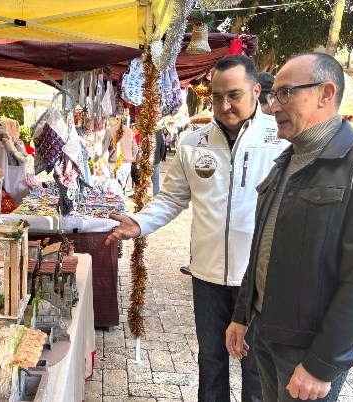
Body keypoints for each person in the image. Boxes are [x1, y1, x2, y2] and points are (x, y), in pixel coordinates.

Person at [105, 55, 288, 402]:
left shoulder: (280, 141)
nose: (224, 104)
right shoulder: (193, 144)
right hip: (207, 277)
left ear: (256, 90)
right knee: (211, 360)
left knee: (257, 368)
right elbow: (173, 197)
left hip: (261, 279)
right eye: (217, 96)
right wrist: (140, 222)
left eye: (234, 95)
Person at [226, 52, 353, 402]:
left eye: (285, 94)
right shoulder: (286, 162)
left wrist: (323, 364)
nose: (273, 106)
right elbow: (265, 248)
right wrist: (243, 315)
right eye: (272, 95)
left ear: (325, 93)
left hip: (308, 347)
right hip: (265, 330)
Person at [99, 117, 139, 192]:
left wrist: (95, 160)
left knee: (115, 191)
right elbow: (135, 149)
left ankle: (120, 201)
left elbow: (102, 150)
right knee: (122, 188)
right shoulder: (130, 131)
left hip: (116, 164)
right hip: (126, 165)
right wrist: (129, 157)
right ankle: (122, 201)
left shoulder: (110, 131)